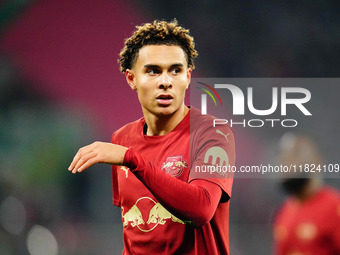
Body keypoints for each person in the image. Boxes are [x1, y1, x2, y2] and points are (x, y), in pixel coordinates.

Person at [68, 19, 235, 255]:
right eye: (153, 71)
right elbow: (137, 232)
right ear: (131, 79)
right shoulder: (122, 138)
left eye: (175, 70)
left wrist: (132, 159)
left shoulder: (213, 133)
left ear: (187, 77)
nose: (165, 82)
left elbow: (201, 209)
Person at [273, 132, 340, 255]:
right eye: (285, 159)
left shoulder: (334, 207)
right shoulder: (285, 210)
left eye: (296, 157)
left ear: (317, 162)